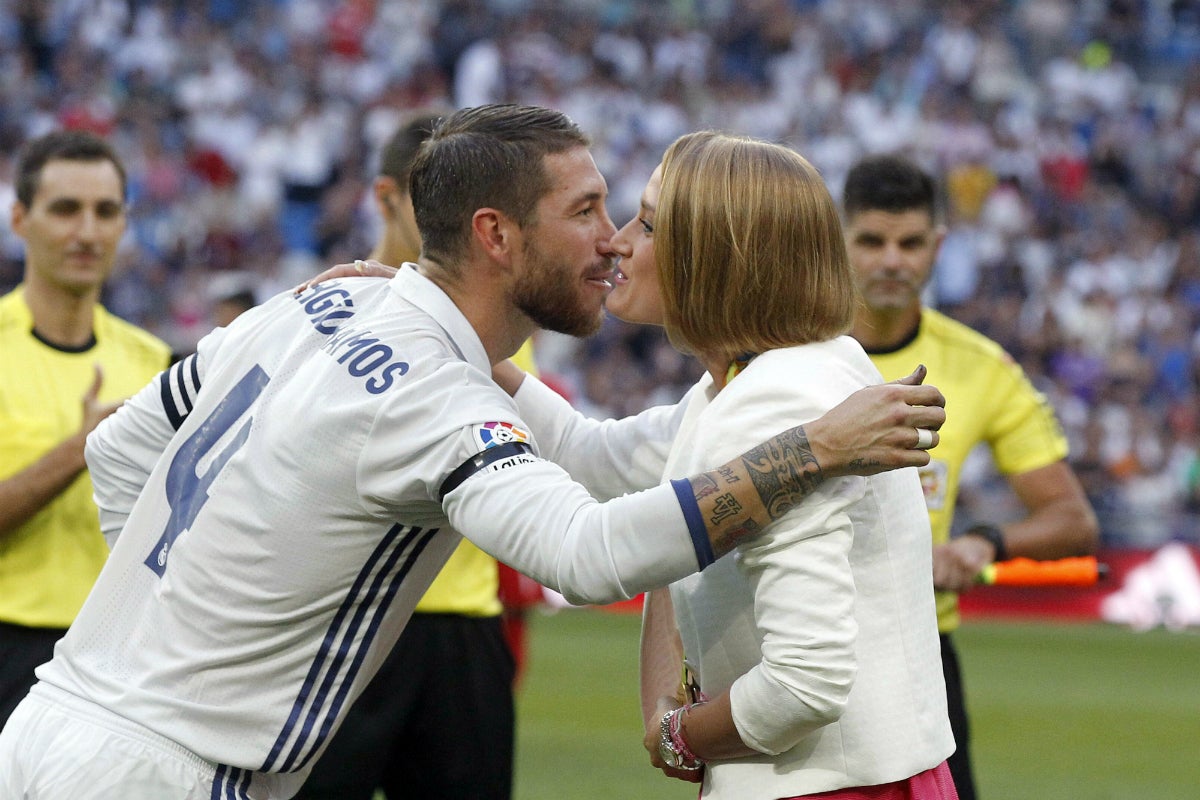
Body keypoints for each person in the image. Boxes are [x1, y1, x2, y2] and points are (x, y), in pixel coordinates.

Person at [0, 105, 945, 800]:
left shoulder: (314, 301)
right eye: (588, 211)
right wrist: (810, 451)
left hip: (51, 720)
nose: (612, 242)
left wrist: (154, 627)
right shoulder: (437, 397)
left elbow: (119, 450)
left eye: (630, 216)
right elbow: (589, 554)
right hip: (171, 771)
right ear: (496, 235)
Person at [495, 132, 957, 799]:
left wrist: (680, 734)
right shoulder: (787, 372)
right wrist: (455, 330)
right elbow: (589, 453)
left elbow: (805, 683)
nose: (618, 243)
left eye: (647, 225)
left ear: (712, 257)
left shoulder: (771, 402)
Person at [842, 153, 1100, 800]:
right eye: (871, 241)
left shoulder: (982, 367)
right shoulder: (781, 350)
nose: (892, 260)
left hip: (920, 652)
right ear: (836, 241)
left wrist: (983, 544)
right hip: (794, 635)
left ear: (939, 246)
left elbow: (1072, 519)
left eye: (910, 243)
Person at [296, 110, 524, 800]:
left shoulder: (499, 328)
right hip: (346, 617)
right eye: (428, 198)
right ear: (386, 198)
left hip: (462, 628)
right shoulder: (332, 310)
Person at [0, 130, 172, 730]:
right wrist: (84, 448)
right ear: (20, 219)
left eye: (105, 211)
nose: (87, 232)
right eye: (65, 209)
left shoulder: (152, 360)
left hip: (118, 658)